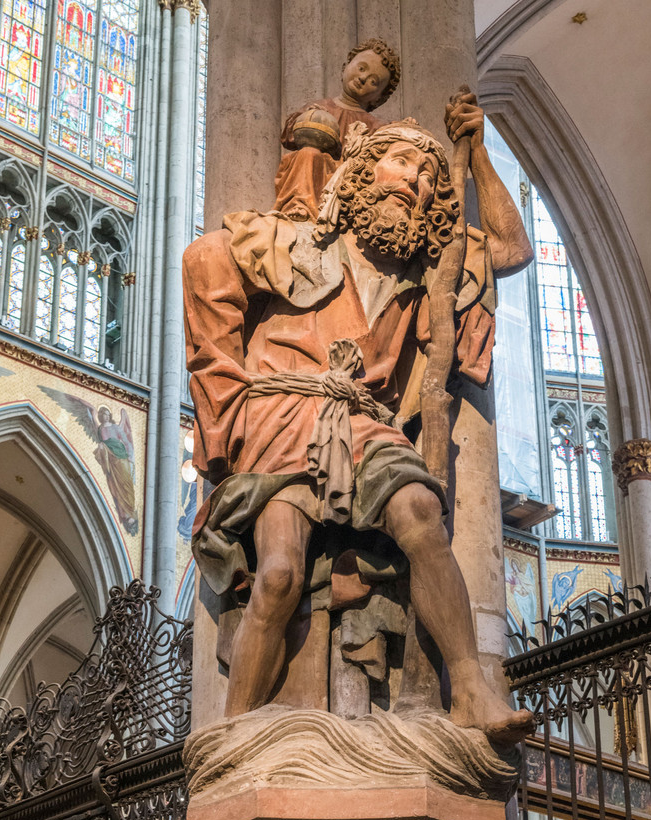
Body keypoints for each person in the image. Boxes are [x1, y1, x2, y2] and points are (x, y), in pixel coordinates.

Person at [183, 91, 534, 746]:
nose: (418, 181)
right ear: (363, 171)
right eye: (403, 163)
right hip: (280, 411)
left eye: (430, 176)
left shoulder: (428, 272)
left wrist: (478, 153)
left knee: (422, 516)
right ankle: (231, 735)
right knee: (280, 572)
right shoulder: (302, 238)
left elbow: (512, 249)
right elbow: (204, 260)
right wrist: (222, 398)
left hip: (362, 419)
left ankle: (471, 688)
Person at [275, 38, 401, 220]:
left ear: (378, 98)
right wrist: (307, 119)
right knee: (308, 154)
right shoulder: (319, 107)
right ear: (345, 67)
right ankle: (300, 205)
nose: (363, 78)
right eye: (361, 68)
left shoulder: (376, 127)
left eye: (374, 81)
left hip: (349, 183)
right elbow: (288, 136)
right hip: (313, 170)